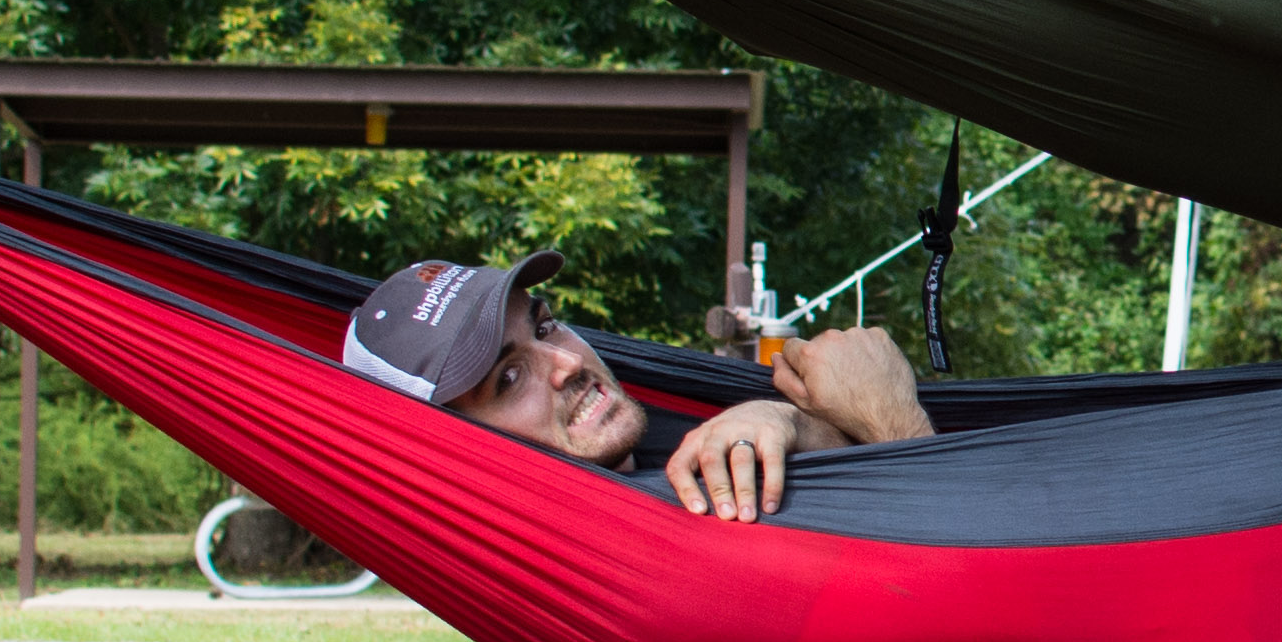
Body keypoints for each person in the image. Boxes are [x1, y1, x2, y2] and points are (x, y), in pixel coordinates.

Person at [339, 245, 930, 518]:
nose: (567, 364)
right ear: (452, 446)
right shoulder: (628, 565)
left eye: (545, 327)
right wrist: (892, 419)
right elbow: (955, 610)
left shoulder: (666, 465)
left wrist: (791, 422)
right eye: (509, 378)